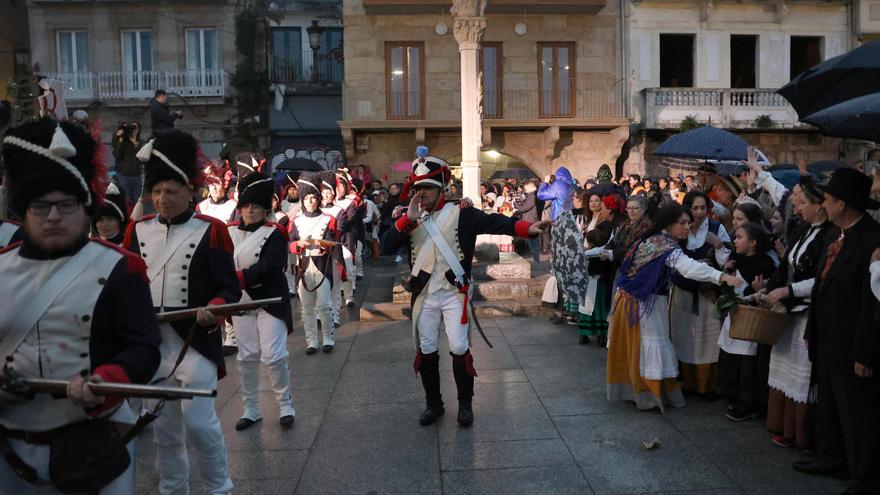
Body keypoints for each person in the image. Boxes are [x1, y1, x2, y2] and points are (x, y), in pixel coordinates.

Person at [0, 118, 161, 493]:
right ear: (23, 211)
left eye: (66, 204)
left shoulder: (122, 268)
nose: (53, 216)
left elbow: (143, 348)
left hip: (95, 445)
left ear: (86, 207)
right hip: (8, 446)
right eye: (41, 205)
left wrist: (108, 380)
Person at [382, 147, 547, 427]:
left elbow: (493, 222)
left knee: (459, 347)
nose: (422, 194)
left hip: (452, 293)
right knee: (427, 348)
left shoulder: (461, 212)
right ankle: (433, 404)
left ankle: (465, 404)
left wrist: (524, 229)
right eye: (418, 188)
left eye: (428, 189)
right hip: (424, 295)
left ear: (442, 189)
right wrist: (406, 219)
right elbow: (386, 246)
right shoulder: (406, 217)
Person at [124, 130, 239, 495]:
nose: (162, 199)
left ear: (190, 191)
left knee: (202, 427)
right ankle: (173, 490)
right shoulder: (136, 232)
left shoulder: (213, 230)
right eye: (157, 191)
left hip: (195, 343)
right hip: (152, 347)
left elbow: (229, 288)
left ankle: (219, 488)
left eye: (171, 191)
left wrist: (215, 310)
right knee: (165, 432)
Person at [793, 168, 880, 495]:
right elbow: (822, 285)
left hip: (852, 340)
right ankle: (830, 455)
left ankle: (865, 474)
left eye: (827, 199)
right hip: (828, 334)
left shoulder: (873, 239)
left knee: (857, 410)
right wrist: (812, 328)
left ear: (843, 203)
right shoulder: (833, 234)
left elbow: (871, 304)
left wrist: (864, 352)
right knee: (829, 401)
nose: (823, 204)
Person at [607, 203, 742, 411]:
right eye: (683, 222)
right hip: (643, 303)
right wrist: (720, 276)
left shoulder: (654, 238)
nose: (687, 226)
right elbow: (688, 268)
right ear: (669, 224)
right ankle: (651, 395)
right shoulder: (664, 245)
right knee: (651, 343)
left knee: (644, 346)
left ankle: (645, 392)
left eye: (688, 222)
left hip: (635, 300)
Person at [764, 176, 832, 451]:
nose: (798, 206)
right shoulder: (805, 229)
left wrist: (788, 291)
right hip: (789, 312)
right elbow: (785, 266)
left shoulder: (828, 234)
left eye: (803, 202)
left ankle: (804, 435)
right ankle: (786, 427)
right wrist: (768, 289)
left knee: (802, 375)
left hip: (806, 312)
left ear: (819, 206)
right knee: (784, 371)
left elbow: (822, 279)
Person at [228, 172, 295, 431]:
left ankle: (285, 404)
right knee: (246, 357)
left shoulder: (275, 233)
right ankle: (251, 408)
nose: (251, 210)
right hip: (240, 302)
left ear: (266, 209)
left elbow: (270, 266)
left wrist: (237, 278)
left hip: (270, 300)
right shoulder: (228, 232)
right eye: (247, 205)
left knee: (274, 355)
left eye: (256, 206)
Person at [670, 191, 731, 398]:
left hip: (707, 294)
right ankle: (688, 383)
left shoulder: (716, 228)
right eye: (694, 208)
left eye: (702, 208)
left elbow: (727, 262)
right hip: (684, 291)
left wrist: (718, 245)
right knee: (684, 336)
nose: (699, 212)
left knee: (708, 338)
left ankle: (707, 386)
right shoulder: (679, 229)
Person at [716, 221, 776, 421]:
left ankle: (748, 402)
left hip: (751, 320)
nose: (735, 241)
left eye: (739, 237)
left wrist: (756, 289)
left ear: (753, 242)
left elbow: (760, 289)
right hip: (735, 315)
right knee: (730, 357)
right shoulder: (736, 261)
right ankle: (731, 394)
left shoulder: (764, 264)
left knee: (747, 363)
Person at [112, 121, 143, 202]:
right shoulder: (124, 142)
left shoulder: (141, 142)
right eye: (132, 127)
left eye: (136, 128)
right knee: (125, 200)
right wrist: (120, 138)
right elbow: (117, 154)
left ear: (139, 129)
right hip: (124, 175)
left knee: (137, 201)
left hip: (137, 175)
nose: (134, 130)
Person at [513, 179, 540, 262]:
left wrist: (515, 203)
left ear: (531, 187)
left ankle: (536, 261)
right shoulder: (532, 195)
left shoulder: (533, 196)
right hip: (530, 220)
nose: (525, 191)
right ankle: (534, 260)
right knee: (531, 242)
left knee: (533, 243)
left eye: (526, 189)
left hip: (530, 221)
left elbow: (523, 208)